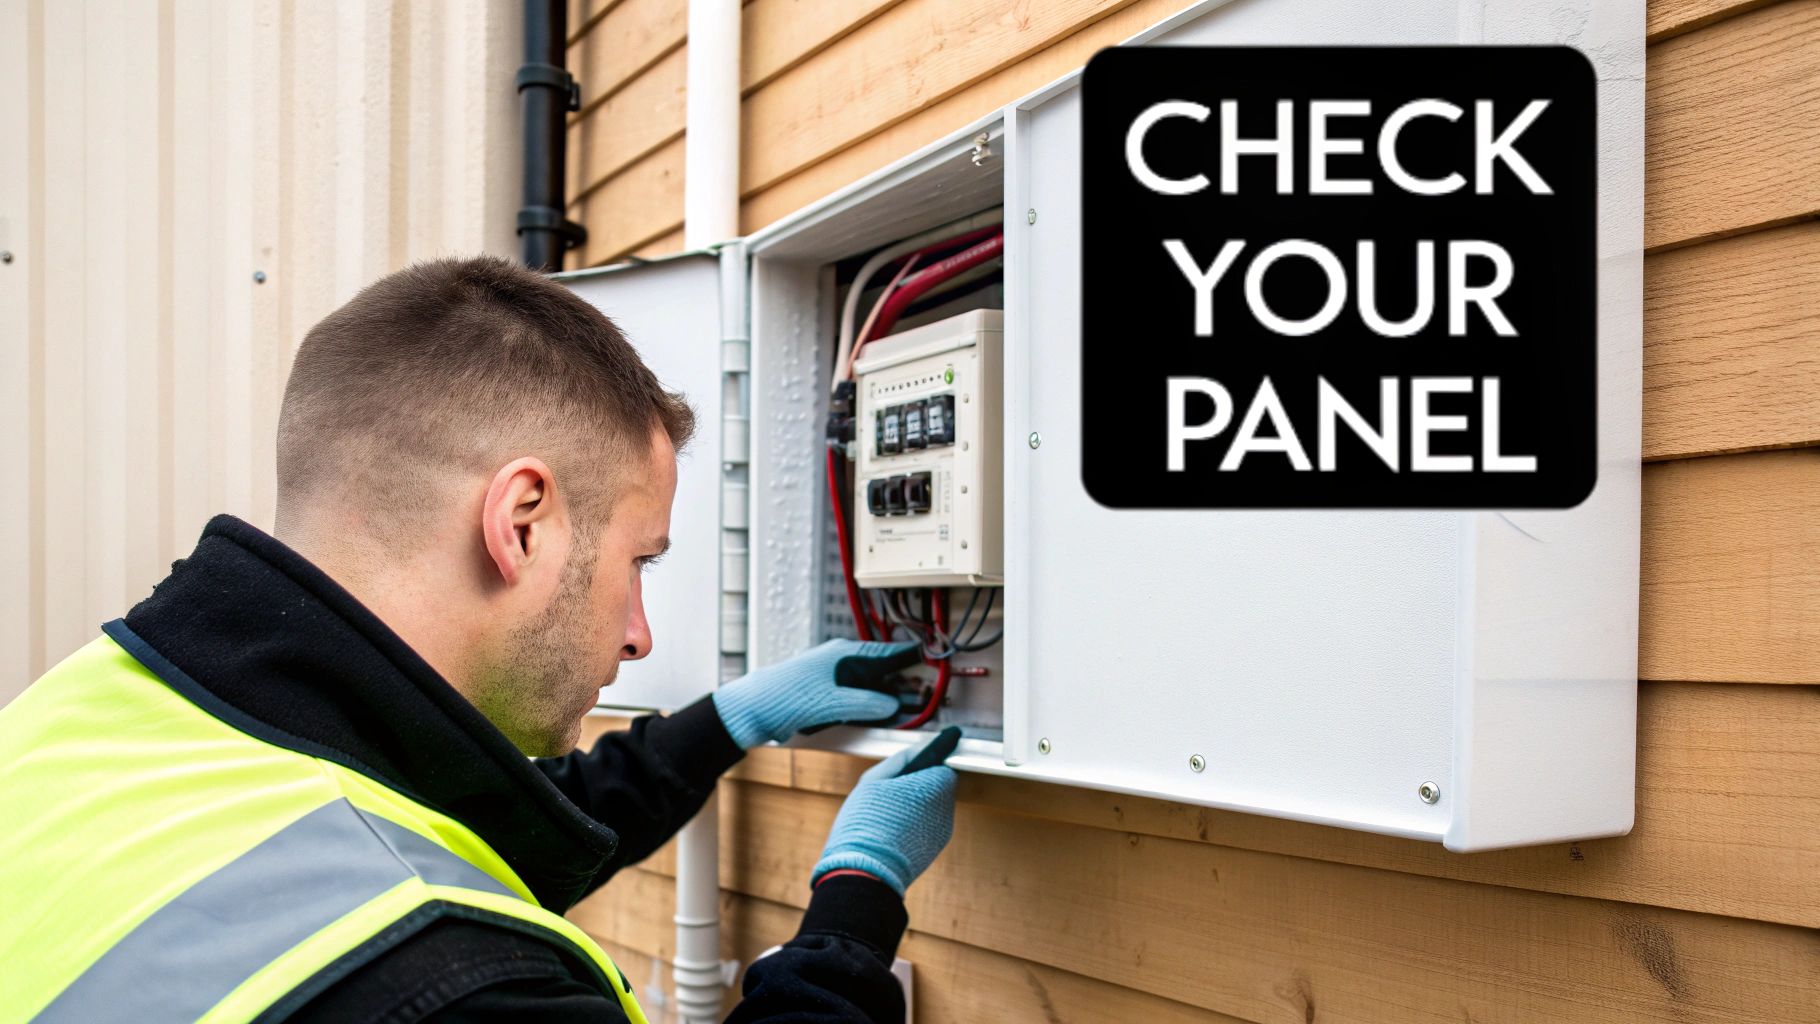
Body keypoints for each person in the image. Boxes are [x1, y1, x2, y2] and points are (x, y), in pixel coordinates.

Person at [0, 256, 960, 1023]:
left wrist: (738, 718)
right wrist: (855, 901)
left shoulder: (90, 718)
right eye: (640, 563)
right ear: (523, 522)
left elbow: (470, 822)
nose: (637, 636)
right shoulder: (452, 980)